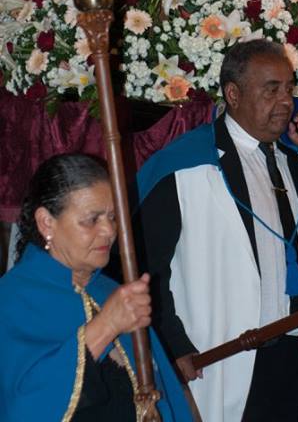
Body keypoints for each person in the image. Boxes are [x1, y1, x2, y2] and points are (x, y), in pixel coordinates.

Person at [135, 38, 298, 422]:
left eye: (289, 88)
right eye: (271, 90)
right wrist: (173, 344)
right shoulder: (185, 167)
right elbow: (147, 267)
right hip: (220, 354)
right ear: (233, 94)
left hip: (293, 350)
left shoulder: (295, 160)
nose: (286, 101)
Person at [0, 153, 191, 422]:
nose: (109, 231)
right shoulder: (12, 300)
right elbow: (26, 406)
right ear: (46, 223)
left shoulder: (110, 291)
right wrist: (107, 326)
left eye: (112, 217)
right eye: (92, 220)